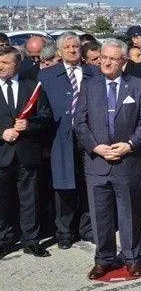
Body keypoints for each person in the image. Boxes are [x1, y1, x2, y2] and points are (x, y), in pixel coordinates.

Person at [73, 39, 141, 279]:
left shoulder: (138, 86)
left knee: (129, 214)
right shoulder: (89, 85)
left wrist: (130, 145)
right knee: (100, 215)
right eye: (103, 57)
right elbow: (79, 122)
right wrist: (95, 147)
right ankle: (104, 258)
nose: (106, 62)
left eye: (112, 59)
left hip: (127, 162)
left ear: (124, 62)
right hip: (97, 162)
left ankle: (132, 258)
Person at [38, 32, 98, 249]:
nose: (73, 50)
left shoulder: (94, 73)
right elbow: (42, 111)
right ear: (59, 51)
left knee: (88, 182)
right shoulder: (47, 75)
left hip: (89, 137)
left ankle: (87, 227)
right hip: (60, 138)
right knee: (63, 186)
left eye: (76, 47)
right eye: (68, 47)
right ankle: (64, 231)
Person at [0, 46, 52, 259]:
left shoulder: (32, 87)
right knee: (2, 200)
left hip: (27, 153)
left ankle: (30, 240)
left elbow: (46, 117)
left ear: (17, 64)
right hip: (2, 153)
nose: (0, 66)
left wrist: (29, 125)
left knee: (30, 198)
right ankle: (4, 239)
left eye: (5, 62)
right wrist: (2, 132)